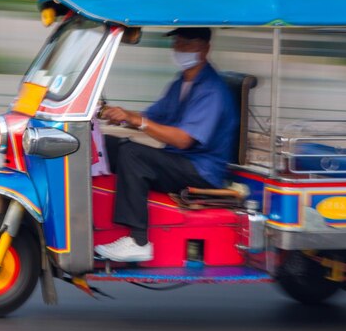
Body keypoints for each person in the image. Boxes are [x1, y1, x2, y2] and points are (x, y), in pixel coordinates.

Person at [94, 27, 238, 262]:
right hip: (179, 162)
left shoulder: (211, 91)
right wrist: (119, 114)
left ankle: (138, 241)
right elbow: (152, 117)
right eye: (177, 43)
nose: (179, 49)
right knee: (107, 145)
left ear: (205, 48)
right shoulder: (181, 83)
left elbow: (183, 140)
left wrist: (136, 121)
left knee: (133, 154)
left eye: (187, 44)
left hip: (201, 170)